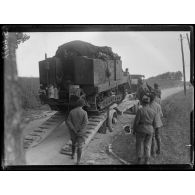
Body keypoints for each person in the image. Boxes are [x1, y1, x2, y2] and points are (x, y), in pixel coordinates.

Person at [133, 93, 158, 164]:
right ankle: (147, 161)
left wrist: (134, 130)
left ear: (142, 103)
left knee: (139, 144)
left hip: (141, 129)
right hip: (150, 130)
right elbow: (155, 124)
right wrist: (153, 131)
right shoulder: (153, 112)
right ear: (148, 103)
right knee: (147, 145)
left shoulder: (140, 110)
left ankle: (139, 160)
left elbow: (136, 122)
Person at [66, 98, 88, 165]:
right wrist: (79, 129)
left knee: (73, 143)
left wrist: (74, 129)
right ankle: (78, 161)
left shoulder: (72, 111)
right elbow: (85, 123)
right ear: (83, 105)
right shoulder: (84, 112)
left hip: (73, 132)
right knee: (80, 146)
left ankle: (72, 155)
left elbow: (68, 121)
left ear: (77, 104)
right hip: (80, 133)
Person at [149, 92, 163, 156]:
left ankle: (153, 153)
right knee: (158, 137)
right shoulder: (158, 105)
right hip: (158, 123)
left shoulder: (148, 106)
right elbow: (161, 115)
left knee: (152, 138)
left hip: (151, 124)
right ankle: (159, 150)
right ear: (154, 98)